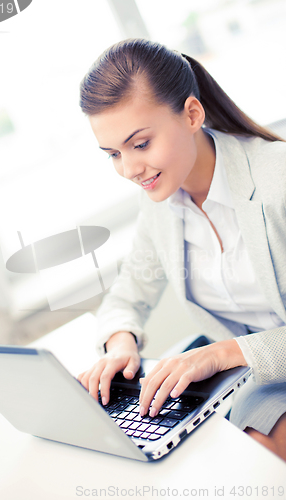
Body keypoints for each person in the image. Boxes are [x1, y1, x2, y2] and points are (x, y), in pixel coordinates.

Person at [77, 38, 286, 461]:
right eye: (113, 154)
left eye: (140, 144)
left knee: (253, 460)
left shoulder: (277, 181)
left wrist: (224, 353)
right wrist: (121, 344)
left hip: (257, 369)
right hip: (258, 382)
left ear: (192, 114)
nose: (130, 170)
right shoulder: (162, 203)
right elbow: (128, 292)